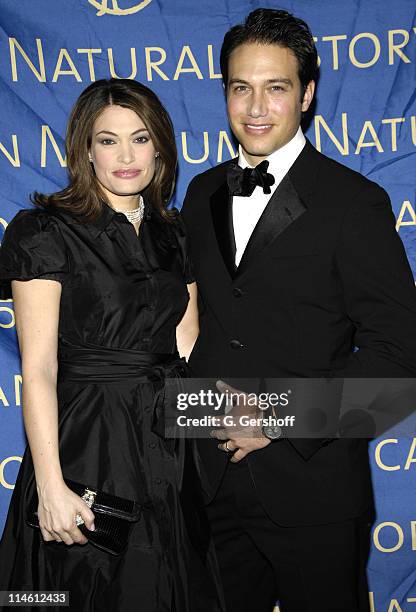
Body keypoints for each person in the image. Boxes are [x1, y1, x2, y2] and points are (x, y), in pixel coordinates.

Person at [181, 8, 416, 612]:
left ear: (307, 94)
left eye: (276, 88)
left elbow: (399, 357)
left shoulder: (353, 202)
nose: (256, 108)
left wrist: (276, 418)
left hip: (314, 495)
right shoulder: (202, 192)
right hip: (208, 487)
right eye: (241, 87)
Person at [0, 78, 223, 612]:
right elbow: (40, 367)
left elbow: (188, 346)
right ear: (85, 150)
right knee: (84, 588)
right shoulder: (43, 231)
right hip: (88, 443)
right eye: (108, 140)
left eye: (140, 138)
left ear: (161, 147)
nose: (126, 155)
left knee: (170, 587)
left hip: (169, 444)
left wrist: (267, 413)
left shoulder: (174, 235)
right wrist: (51, 488)